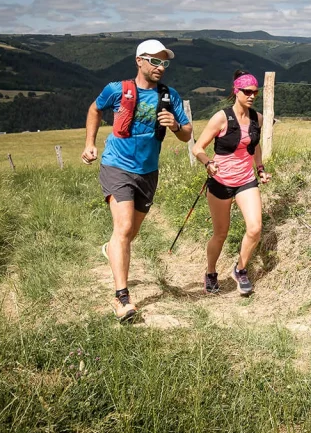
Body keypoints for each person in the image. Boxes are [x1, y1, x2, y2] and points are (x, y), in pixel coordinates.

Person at [81, 39, 193, 322]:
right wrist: (89, 143)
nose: (160, 67)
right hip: (117, 166)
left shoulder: (169, 96)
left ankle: (112, 249)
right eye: (155, 61)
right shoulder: (116, 90)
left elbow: (187, 133)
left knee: (130, 234)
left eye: (164, 62)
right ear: (139, 61)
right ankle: (122, 299)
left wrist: (176, 126)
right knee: (125, 226)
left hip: (148, 171)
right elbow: (95, 109)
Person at [191, 70, 270, 297]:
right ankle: (211, 273)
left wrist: (261, 169)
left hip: (246, 180)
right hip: (221, 182)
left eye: (255, 92)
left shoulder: (258, 118)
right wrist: (208, 163)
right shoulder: (221, 118)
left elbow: (254, 146)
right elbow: (198, 148)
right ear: (236, 92)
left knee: (255, 229)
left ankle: (240, 269)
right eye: (247, 92)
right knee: (221, 233)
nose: (252, 96)